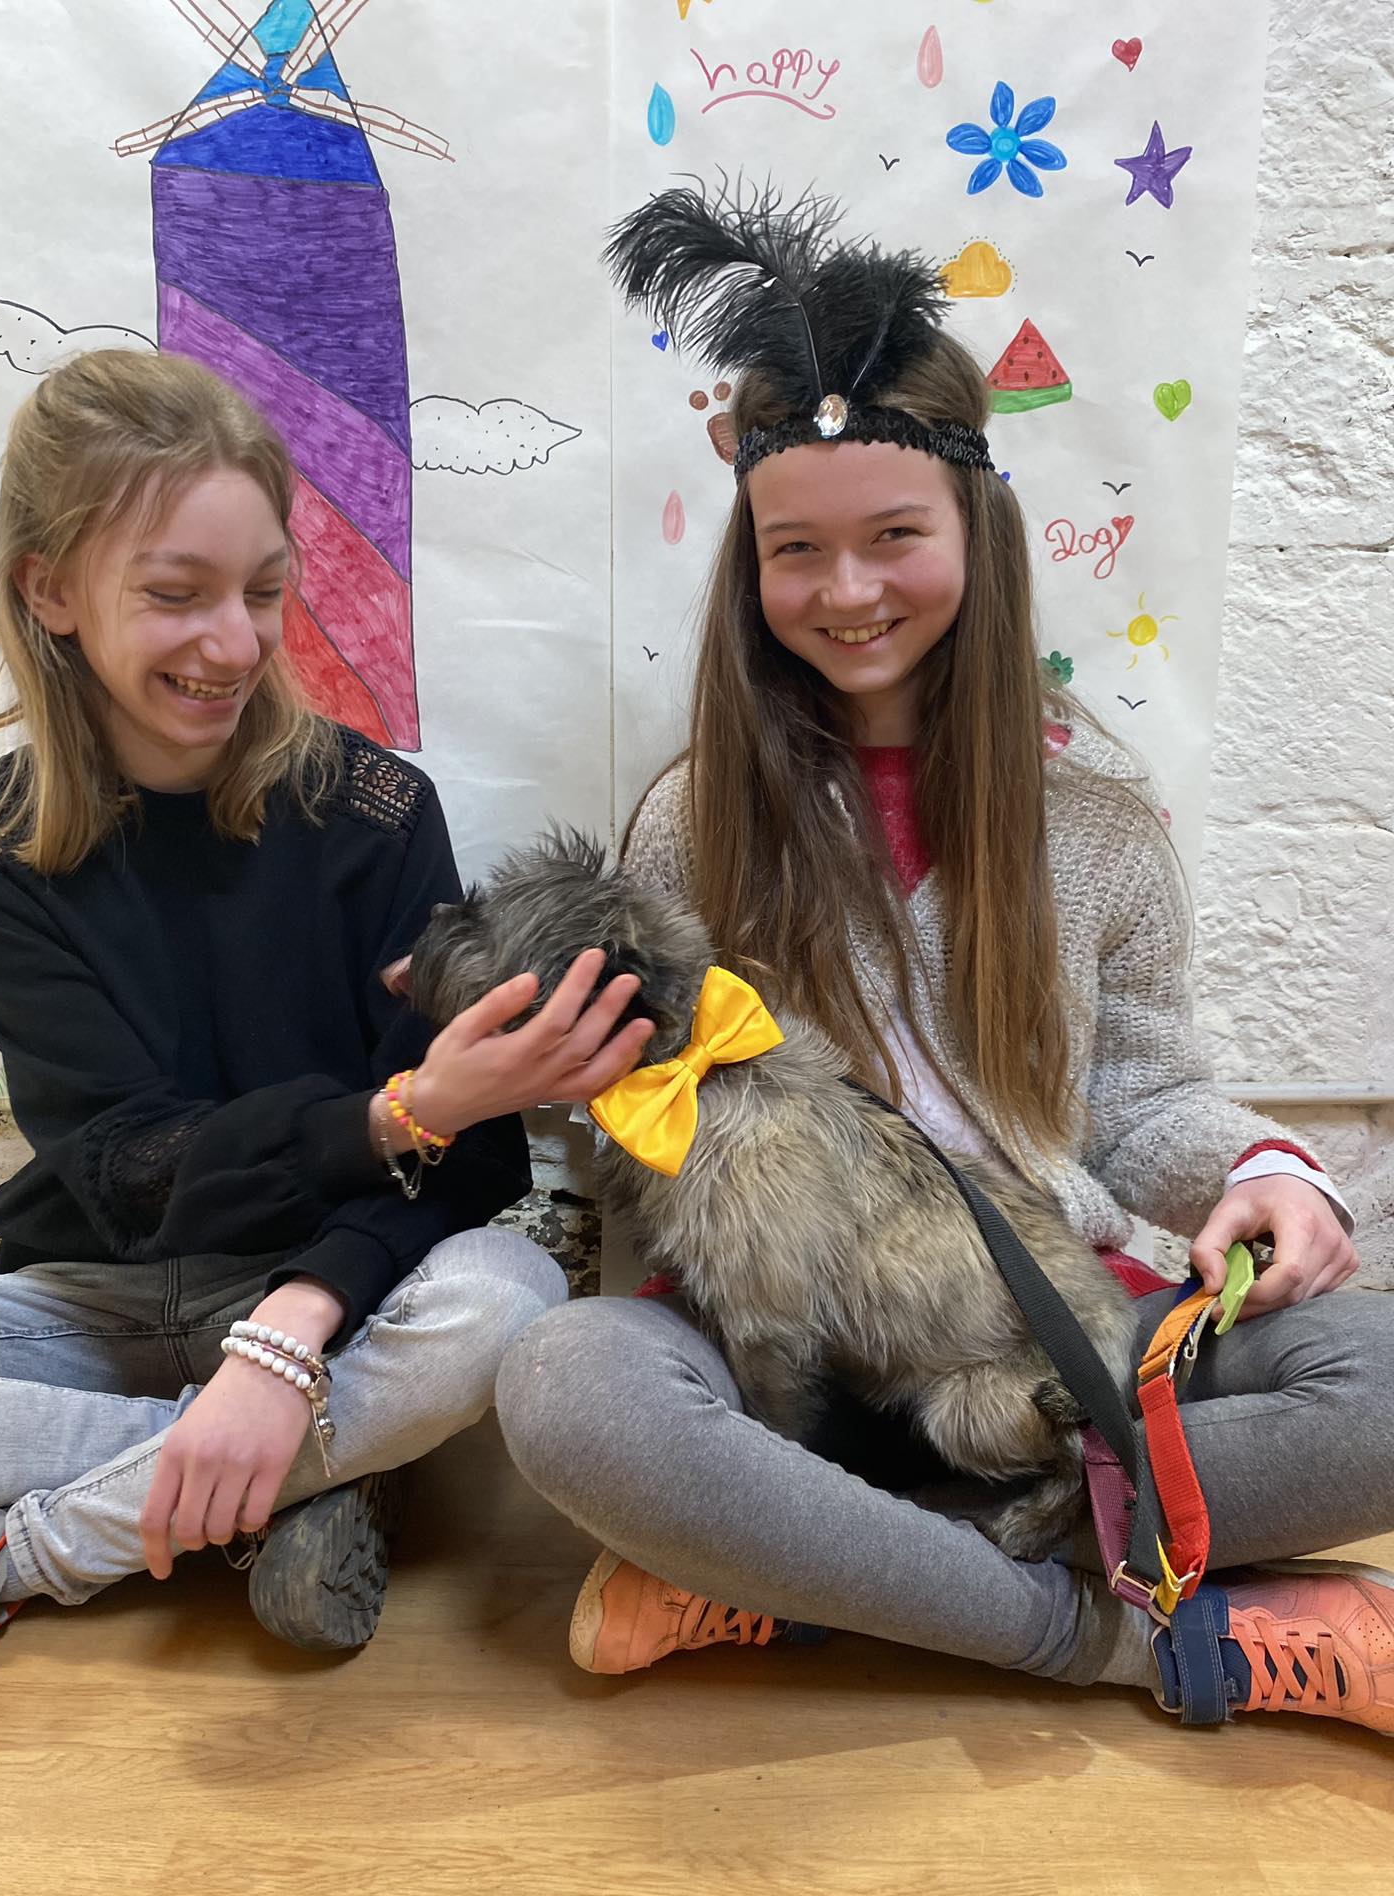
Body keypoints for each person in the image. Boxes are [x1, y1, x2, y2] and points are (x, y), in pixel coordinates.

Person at [496, 184, 1394, 1738]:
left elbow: (1142, 1096)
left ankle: (807, 1570)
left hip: (1042, 1347)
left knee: (1380, 1377)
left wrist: (1269, 1171)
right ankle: (1122, 1636)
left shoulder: (1096, 819)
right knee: (566, 1388)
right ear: (751, 566)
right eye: (798, 551)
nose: (848, 593)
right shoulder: (690, 824)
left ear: (974, 530)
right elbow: (632, 1139)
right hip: (788, 1358)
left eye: (895, 538)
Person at [0, 349, 654, 1656]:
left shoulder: (378, 809)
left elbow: (476, 1161)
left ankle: (16, 1551)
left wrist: (289, 1332)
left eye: (266, 592)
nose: (234, 645)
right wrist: (398, 1114)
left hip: (350, 1299)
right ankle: (312, 1471)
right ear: (50, 591)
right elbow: (130, 1173)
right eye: (176, 595)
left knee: (505, 1295)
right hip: (99, 1303)